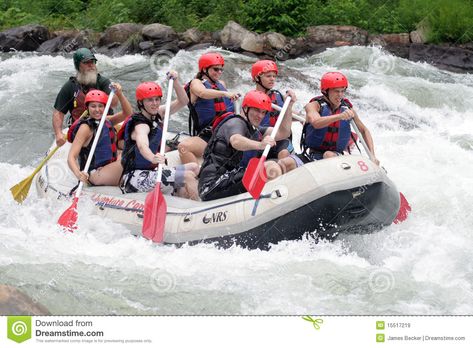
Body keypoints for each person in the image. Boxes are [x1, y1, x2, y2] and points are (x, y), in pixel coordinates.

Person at [198, 89, 296, 201]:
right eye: (257, 110)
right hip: (211, 185)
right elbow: (236, 141)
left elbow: (284, 132)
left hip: (232, 178)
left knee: (287, 163)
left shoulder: (255, 130)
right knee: (270, 168)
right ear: (245, 108)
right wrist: (260, 145)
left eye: (263, 112)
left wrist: (289, 107)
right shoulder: (235, 122)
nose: (260, 116)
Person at [120, 74, 199, 200]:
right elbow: (142, 145)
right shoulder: (140, 125)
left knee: (194, 167)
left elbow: (184, 101)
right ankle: (197, 206)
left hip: (152, 173)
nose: (155, 103)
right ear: (141, 103)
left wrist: (176, 81)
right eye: (150, 100)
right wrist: (152, 158)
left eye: (157, 99)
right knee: (188, 175)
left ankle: (182, 199)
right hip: (134, 178)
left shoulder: (158, 114)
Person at [298, 72, 379, 166]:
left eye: (343, 91)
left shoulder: (347, 108)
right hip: (311, 154)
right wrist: (339, 116)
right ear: (325, 91)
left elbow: (364, 131)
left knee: (328, 155)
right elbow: (316, 123)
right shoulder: (313, 105)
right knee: (286, 162)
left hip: (336, 155)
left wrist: (372, 156)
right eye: (336, 91)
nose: (340, 95)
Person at [178, 52, 240, 164]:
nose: (219, 72)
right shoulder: (196, 83)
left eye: (221, 70)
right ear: (204, 69)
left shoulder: (221, 84)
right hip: (208, 136)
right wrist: (225, 94)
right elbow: (202, 92)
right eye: (216, 69)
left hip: (228, 132)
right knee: (184, 147)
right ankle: (197, 176)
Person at [67, 83, 132, 186]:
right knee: (131, 157)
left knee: (133, 150)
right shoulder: (85, 128)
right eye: (93, 106)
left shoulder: (106, 121)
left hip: (109, 166)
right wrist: (79, 174)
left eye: (100, 106)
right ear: (87, 107)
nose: (97, 110)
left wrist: (119, 94)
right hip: (95, 174)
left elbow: (128, 114)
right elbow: (71, 157)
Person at [53, 47, 118, 147]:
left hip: (104, 125)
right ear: (78, 66)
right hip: (81, 129)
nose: (91, 65)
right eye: (86, 62)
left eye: (92, 62)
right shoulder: (70, 86)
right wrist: (58, 134)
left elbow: (114, 104)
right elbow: (58, 112)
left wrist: (115, 93)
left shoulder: (103, 82)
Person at [251, 60, 295, 160]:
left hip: (280, 139)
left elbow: (286, 114)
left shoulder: (278, 95)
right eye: (268, 76)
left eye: (274, 76)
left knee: (284, 153)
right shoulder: (251, 98)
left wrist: (291, 106)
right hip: (261, 139)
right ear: (257, 78)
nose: (272, 79)